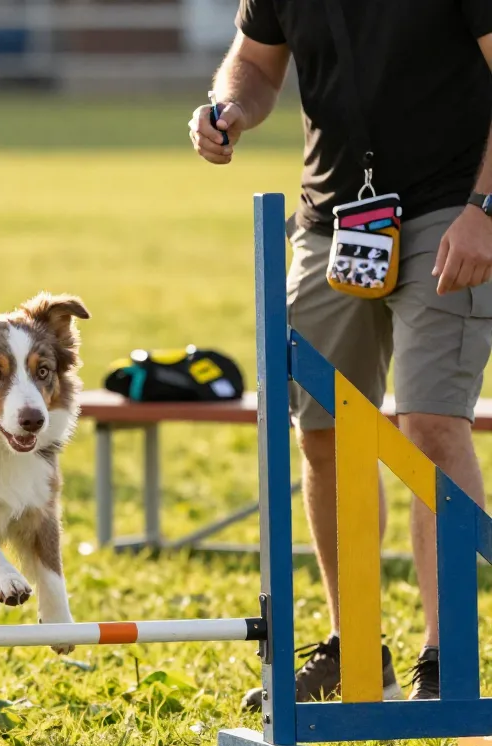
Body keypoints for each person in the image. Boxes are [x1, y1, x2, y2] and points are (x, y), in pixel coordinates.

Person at [189, 1, 492, 704]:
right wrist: (227, 106)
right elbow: (256, 63)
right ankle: (356, 651)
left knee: (430, 427)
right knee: (322, 432)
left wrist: (485, 211)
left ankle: (447, 661)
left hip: (452, 209)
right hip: (335, 218)